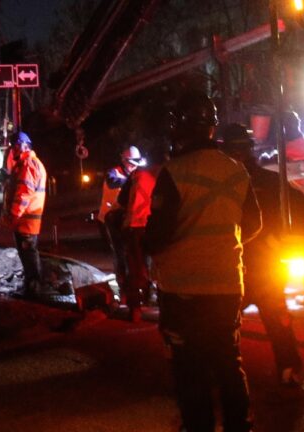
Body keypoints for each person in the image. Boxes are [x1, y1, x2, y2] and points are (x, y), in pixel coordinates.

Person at [141, 91, 262, 432]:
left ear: (179, 127)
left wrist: (147, 245)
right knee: (228, 362)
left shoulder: (175, 172)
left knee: (189, 368)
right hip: (226, 287)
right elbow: (253, 225)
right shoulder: (236, 171)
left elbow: (158, 235)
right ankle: (240, 426)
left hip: (183, 291)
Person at [220, 123, 304, 386]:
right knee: (275, 319)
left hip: (241, 266)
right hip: (261, 264)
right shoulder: (268, 181)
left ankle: (226, 375)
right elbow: (302, 207)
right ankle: (289, 368)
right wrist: (281, 241)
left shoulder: (227, 186)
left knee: (226, 323)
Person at [116, 141, 169, 322]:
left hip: (134, 226)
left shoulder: (137, 174)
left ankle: (135, 309)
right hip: (156, 225)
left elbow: (122, 199)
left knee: (136, 268)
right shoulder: (167, 174)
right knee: (161, 267)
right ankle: (164, 307)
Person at [0, 131, 48, 298]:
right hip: (25, 221)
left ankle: (34, 289)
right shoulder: (25, 164)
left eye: (14, 147)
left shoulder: (28, 164)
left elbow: (24, 194)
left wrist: (12, 216)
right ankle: (31, 287)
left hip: (26, 221)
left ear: (22, 146)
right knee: (27, 255)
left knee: (29, 255)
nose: (13, 151)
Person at [97, 145, 144, 294]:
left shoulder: (135, 174)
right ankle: (123, 285)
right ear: (124, 161)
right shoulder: (114, 172)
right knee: (119, 253)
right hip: (109, 218)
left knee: (129, 253)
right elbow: (112, 181)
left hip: (122, 218)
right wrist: (131, 181)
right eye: (130, 163)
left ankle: (131, 283)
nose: (132, 166)